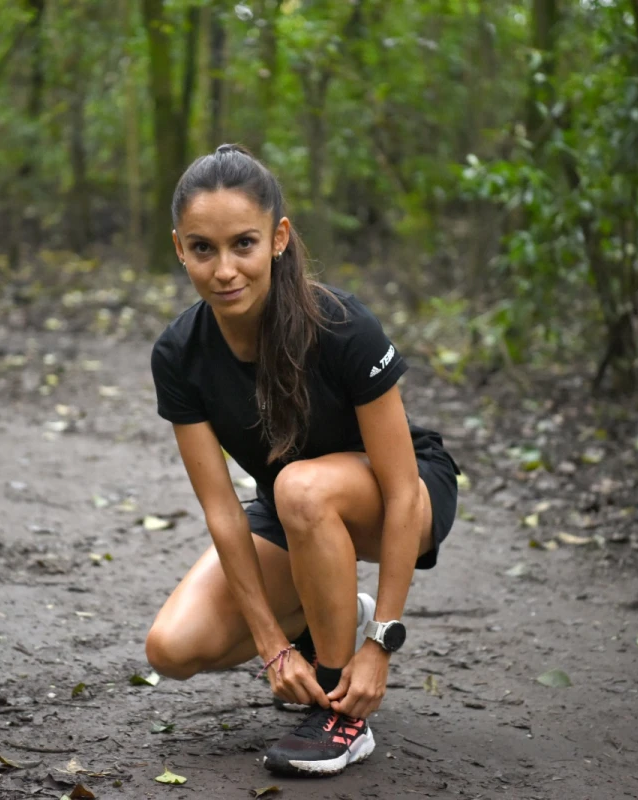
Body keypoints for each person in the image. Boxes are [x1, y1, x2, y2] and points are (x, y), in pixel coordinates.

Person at [145, 144, 459, 778]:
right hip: (294, 511)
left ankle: (344, 705)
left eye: (244, 244)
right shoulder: (179, 353)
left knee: (299, 487)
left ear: (279, 238)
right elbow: (223, 511)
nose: (225, 269)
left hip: (404, 492)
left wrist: (382, 645)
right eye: (203, 248)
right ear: (179, 248)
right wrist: (271, 646)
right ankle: (326, 625)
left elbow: (402, 493)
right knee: (171, 649)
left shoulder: (342, 326)